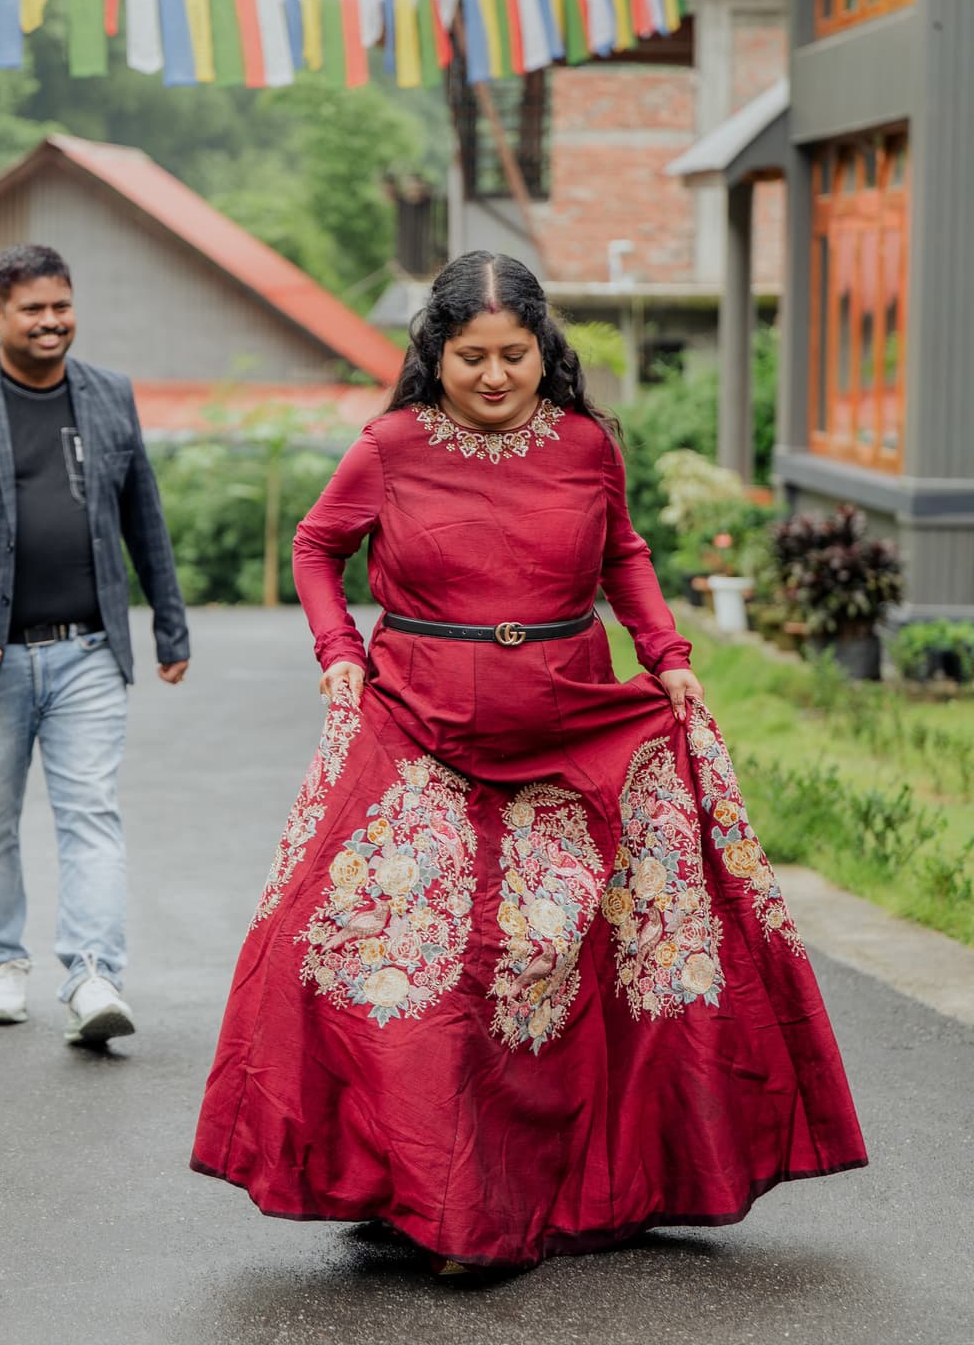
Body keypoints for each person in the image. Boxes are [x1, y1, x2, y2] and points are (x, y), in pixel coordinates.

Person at [192, 251, 866, 1276]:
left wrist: (668, 655)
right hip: (417, 722)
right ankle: (435, 1199)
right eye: (473, 358)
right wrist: (339, 653)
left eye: (515, 355)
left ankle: (573, 1189)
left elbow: (624, 554)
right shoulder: (389, 447)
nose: (496, 376)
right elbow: (316, 547)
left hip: (571, 722)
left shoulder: (589, 446)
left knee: (551, 957)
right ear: (437, 354)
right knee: (422, 962)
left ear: (544, 349)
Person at [0, 243, 189, 1044]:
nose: (51, 321)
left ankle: (93, 976)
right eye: (33, 309)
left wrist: (169, 621)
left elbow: (143, 515)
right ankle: (1, 963)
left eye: (62, 305)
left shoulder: (108, 394)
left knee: (91, 811)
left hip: (89, 649)